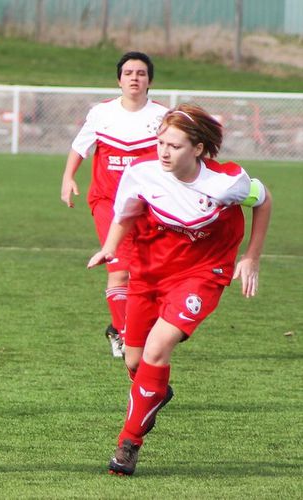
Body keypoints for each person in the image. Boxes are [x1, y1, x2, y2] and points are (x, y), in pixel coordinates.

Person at [88, 103, 273, 476]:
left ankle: (128, 444)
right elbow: (125, 214)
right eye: (161, 143)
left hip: (202, 274)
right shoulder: (142, 174)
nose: (164, 152)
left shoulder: (228, 181)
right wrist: (110, 247)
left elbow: (264, 201)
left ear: (199, 149)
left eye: (174, 145)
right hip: (149, 272)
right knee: (135, 362)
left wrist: (251, 257)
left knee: (157, 349)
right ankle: (154, 393)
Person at [61, 51, 167, 358]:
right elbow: (79, 146)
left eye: (141, 73)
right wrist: (68, 178)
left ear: (149, 81)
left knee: (149, 274)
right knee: (119, 271)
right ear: (119, 80)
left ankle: (120, 326)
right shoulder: (102, 113)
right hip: (108, 202)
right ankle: (125, 337)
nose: (135, 77)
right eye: (129, 73)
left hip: (149, 206)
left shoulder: (163, 117)